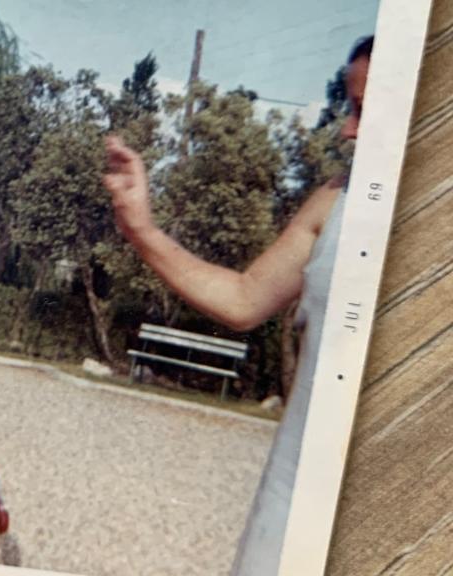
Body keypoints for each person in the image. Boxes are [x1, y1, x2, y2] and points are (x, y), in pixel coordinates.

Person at [102, 37, 372, 575]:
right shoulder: (336, 202)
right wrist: (142, 229)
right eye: (348, 108)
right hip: (292, 504)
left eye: (366, 111)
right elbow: (246, 299)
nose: (347, 129)